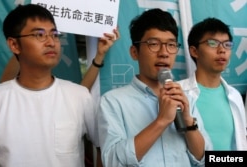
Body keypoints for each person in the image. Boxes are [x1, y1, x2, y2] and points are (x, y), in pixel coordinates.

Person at [0, 4, 118, 167]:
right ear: (14, 45)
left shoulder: (79, 96)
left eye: (54, 34)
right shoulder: (0, 99)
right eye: (39, 34)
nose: (51, 42)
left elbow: (102, 147)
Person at [97, 8, 212, 167]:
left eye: (171, 45)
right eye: (154, 44)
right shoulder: (112, 101)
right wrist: (161, 121)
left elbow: (204, 159)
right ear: (134, 52)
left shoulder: (185, 99)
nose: (164, 53)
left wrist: (188, 123)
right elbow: (112, 162)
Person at [178, 18, 247, 150]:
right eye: (213, 43)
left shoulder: (234, 96)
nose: (222, 50)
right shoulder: (178, 93)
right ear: (194, 51)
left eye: (227, 44)